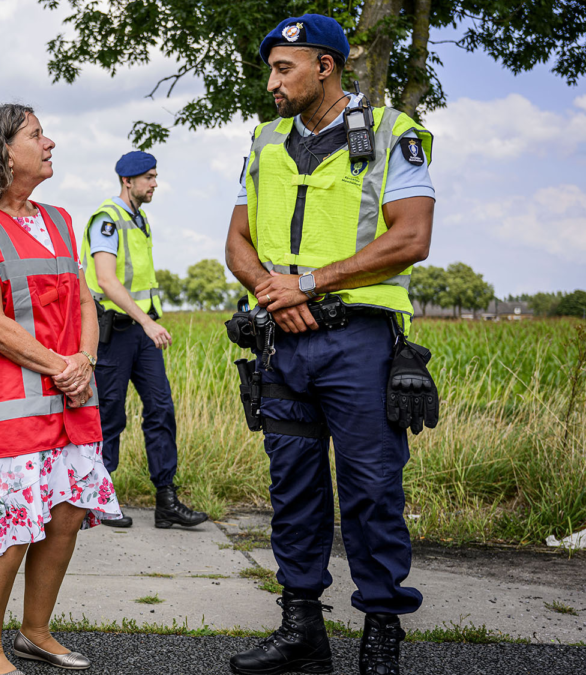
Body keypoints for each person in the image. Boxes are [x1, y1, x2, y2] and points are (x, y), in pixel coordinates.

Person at [224, 13, 436, 675]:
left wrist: (307, 285)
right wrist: (271, 290)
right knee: (293, 485)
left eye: (284, 68)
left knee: (372, 486)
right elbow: (236, 240)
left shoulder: (391, 132)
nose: (272, 82)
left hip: (358, 341)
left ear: (326, 66)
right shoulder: (263, 141)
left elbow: (411, 237)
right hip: (282, 340)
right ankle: (301, 629)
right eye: (269, 69)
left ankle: (380, 632)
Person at [0, 103, 122, 675]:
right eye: (37, 135)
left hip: (71, 401)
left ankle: (35, 632)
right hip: (9, 407)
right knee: (10, 524)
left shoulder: (62, 219)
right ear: (3, 151)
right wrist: (62, 366)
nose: (51, 143)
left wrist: (84, 360)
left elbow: (86, 302)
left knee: (64, 516)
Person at [83, 151, 209, 530]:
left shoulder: (140, 220)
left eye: (155, 176)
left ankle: (166, 500)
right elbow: (106, 280)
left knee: (161, 410)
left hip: (140, 332)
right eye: (149, 177)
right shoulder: (107, 219)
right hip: (116, 333)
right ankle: (100, 501)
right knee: (109, 416)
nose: (155, 183)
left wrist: (146, 324)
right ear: (128, 181)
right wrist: (146, 322)